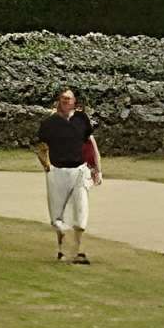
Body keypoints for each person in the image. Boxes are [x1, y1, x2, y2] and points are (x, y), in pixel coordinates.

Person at [31, 86, 105, 264]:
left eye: (69, 98)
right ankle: (61, 250)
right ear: (58, 101)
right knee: (57, 214)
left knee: (81, 212)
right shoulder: (49, 123)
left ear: (74, 102)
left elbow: (90, 145)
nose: (65, 101)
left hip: (79, 170)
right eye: (63, 98)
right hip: (57, 171)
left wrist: (97, 169)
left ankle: (78, 251)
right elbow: (39, 147)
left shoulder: (81, 120)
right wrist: (46, 165)